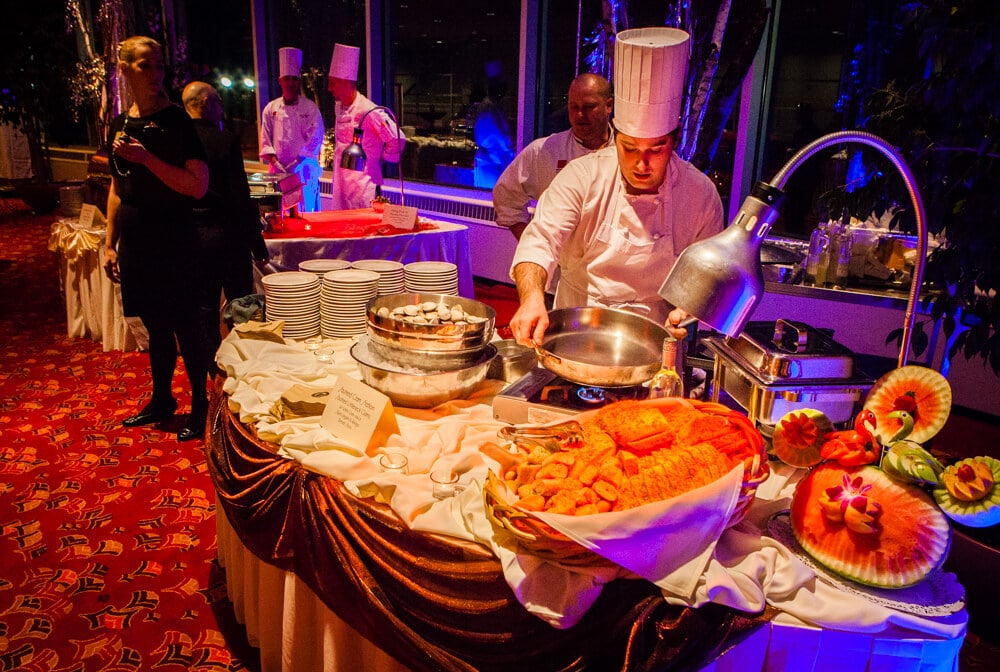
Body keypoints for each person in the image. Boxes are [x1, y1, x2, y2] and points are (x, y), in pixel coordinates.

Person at [508, 27, 724, 346]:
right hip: (575, 330)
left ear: (674, 141)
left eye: (656, 149)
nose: (641, 163)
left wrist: (689, 308)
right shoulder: (581, 176)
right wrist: (531, 298)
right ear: (616, 135)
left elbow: (711, 272)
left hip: (655, 340)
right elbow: (539, 241)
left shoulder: (700, 194)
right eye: (630, 148)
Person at [103, 36, 210, 442]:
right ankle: (162, 398)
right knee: (154, 325)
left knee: (186, 326)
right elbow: (116, 187)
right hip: (136, 237)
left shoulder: (176, 121)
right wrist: (109, 242)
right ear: (125, 69)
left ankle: (201, 405)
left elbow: (198, 186)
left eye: (160, 66)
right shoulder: (118, 123)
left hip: (173, 236)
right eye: (146, 65)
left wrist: (147, 158)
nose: (155, 74)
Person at [182, 80, 269, 372]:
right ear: (204, 104)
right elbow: (239, 194)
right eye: (218, 101)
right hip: (228, 234)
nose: (222, 107)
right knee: (241, 303)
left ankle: (211, 367)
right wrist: (256, 242)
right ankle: (243, 362)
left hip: (193, 236)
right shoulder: (224, 139)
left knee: (204, 307)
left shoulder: (176, 142)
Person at [492, 73, 614, 241]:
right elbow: (505, 196)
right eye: (574, 107)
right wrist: (532, 246)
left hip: (608, 263)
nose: (579, 114)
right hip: (558, 264)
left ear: (609, 106)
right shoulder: (544, 150)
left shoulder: (627, 154)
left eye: (588, 107)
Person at [327, 42, 405, 210]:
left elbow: (398, 139)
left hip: (364, 184)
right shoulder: (338, 107)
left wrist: (381, 159)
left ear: (346, 82)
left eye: (333, 83)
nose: (329, 88)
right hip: (341, 180)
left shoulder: (368, 110)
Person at [258, 47, 325, 212]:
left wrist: (297, 163)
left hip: (304, 171)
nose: (290, 83)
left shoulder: (310, 109)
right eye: (286, 79)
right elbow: (266, 138)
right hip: (278, 172)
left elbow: (315, 138)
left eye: (294, 79)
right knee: (280, 213)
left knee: (305, 213)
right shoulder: (270, 108)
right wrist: (276, 163)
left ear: (299, 82)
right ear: (280, 81)